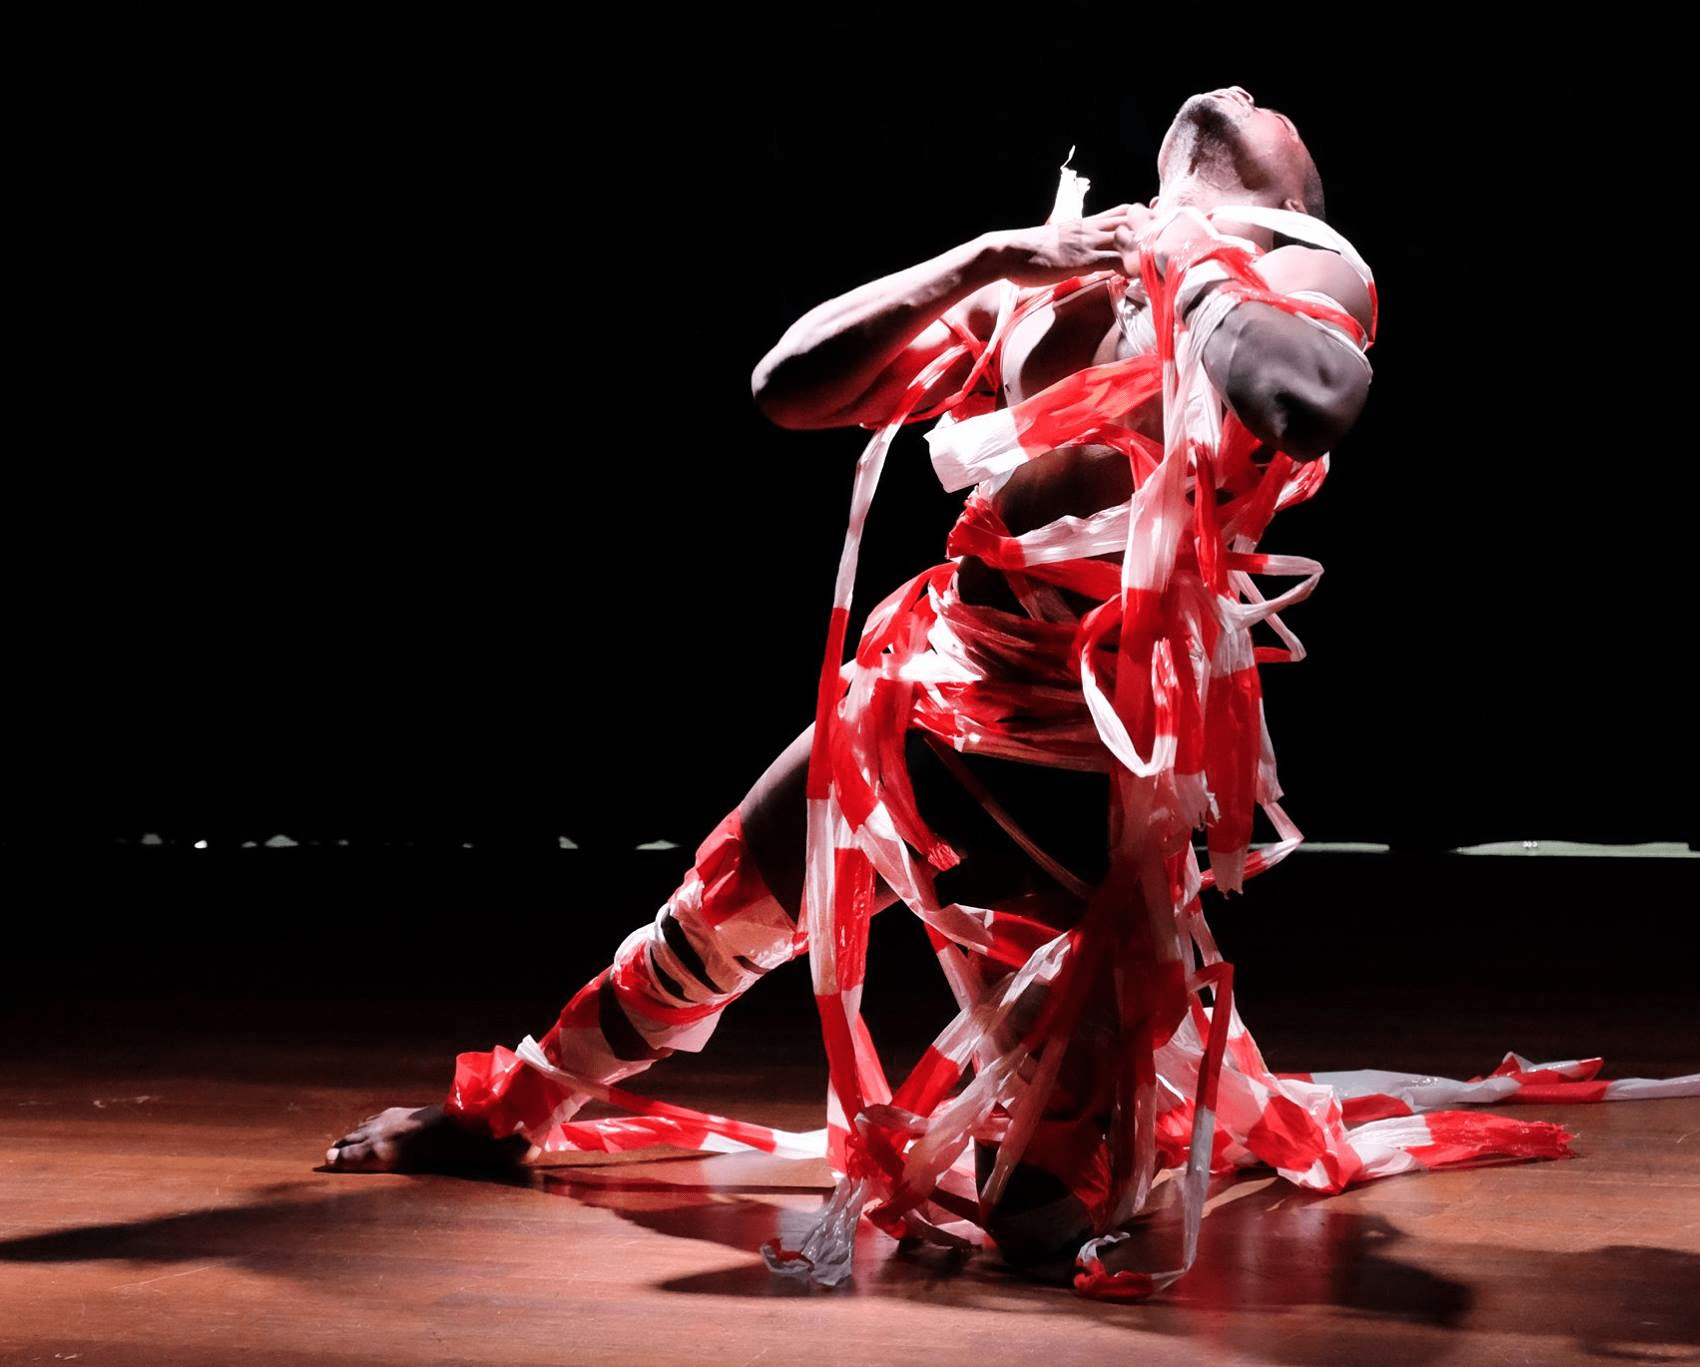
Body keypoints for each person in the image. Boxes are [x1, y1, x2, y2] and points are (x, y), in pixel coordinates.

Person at [327, 88, 1434, 1296]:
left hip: (1085, 757)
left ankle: (1084, 1113)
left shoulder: (1303, 269)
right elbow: (787, 386)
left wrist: (1202, 263)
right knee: (728, 895)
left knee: (1032, 1219)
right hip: (937, 675)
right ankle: (517, 1109)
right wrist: (987, 258)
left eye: (1267, 102)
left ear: (1290, 195)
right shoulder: (1061, 279)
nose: (1238, 89)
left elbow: (1310, 393)